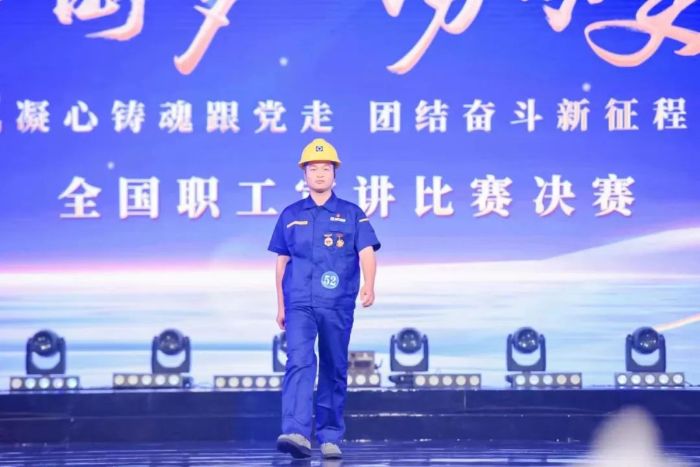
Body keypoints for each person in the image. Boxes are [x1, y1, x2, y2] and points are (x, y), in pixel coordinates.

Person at [267, 138, 380, 460]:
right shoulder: (290, 215)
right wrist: (281, 304)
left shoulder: (351, 213)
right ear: (304, 174)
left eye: (326, 168)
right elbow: (282, 262)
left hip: (337, 302)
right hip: (299, 301)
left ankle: (330, 436)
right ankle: (296, 433)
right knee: (299, 361)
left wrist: (370, 285)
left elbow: (366, 251)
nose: (319, 174)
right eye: (313, 168)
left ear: (335, 174)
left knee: (334, 365)